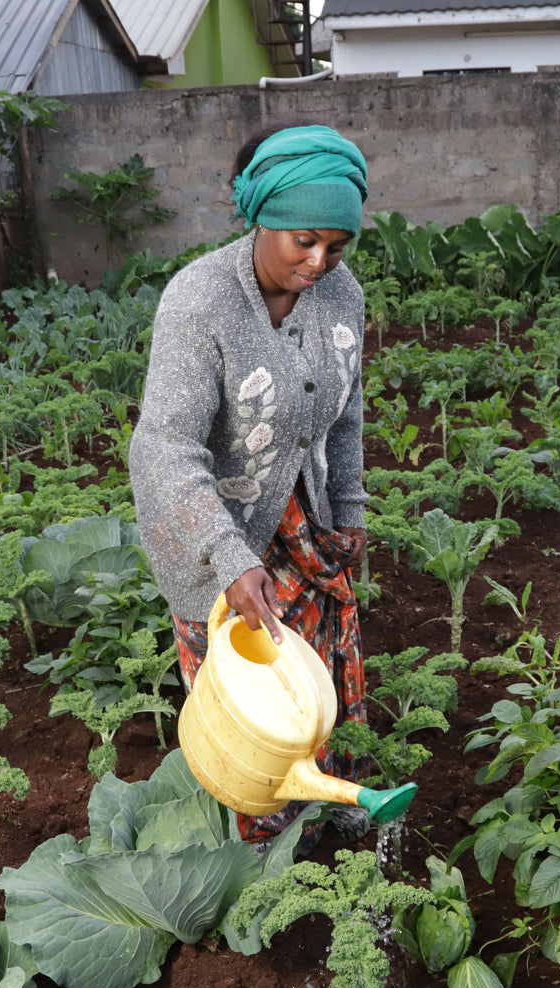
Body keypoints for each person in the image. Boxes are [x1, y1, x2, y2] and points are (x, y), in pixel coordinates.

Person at [129, 123, 373, 847]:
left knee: (314, 695)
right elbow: (164, 447)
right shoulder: (200, 302)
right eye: (305, 240)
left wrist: (349, 504)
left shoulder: (341, 295)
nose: (320, 261)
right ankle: (267, 861)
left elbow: (347, 413)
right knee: (255, 720)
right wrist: (230, 558)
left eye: (337, 245)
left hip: (307, 526)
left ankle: (332, 823)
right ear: (262, 216)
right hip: (216, 538)